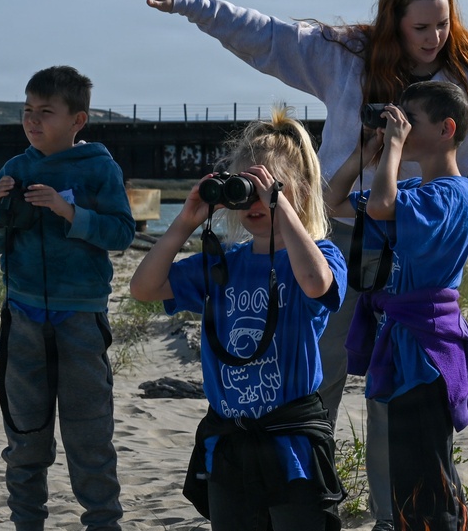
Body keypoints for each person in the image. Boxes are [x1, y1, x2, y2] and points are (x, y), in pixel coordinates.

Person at [123, 0, 468, 529]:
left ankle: (388, 516)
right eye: (420, 27)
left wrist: (431, 225)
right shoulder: (348, 56)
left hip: (404, 243)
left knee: (392, 388)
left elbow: (458, 169)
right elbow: (269, 36)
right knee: (318, 370)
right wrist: (186, 2)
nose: (433, 39)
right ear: (393, 22)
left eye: (442, 26)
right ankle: (302, 489)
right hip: (341, 225)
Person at [129, 108, 348, 531]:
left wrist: (282, 206)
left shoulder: (323, 256)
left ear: (299, 192)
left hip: (292, 442)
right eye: (243, 189)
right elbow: (144, 288)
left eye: (266, 188)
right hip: (230, 438)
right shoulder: (221, 266)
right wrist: (184, 222)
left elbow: (316, 282)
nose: (253, 202)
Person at [325, 81, 468, 531]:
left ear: (446, 129)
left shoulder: (452, 195)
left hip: (427, 345)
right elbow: (334, 202)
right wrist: (366, 152)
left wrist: (392, 152)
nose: (398, 127)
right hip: (397, 337)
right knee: (398, 453)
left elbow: (382, 205)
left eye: (409, 121)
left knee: (425, 459)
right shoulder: (413, 194)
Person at [0, 65, 135, 531]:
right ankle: (26, 524)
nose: (32, 121)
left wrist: (70, 211)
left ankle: (102, 523)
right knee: (25, 435)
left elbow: (122, 232)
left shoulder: (99, 167)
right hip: (22, 319)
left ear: (77, 121)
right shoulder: (15, 168)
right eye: (27, 111)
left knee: (89, 435)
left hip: (81, 320)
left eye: (45, 112)